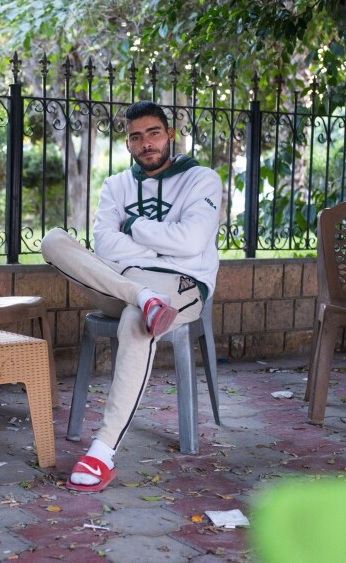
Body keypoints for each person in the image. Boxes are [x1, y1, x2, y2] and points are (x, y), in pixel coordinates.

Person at [41, 100, 221, 492]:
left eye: (153, 133)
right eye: (136, 137)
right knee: (53, 241)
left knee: (136, 321)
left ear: (169, 134)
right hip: (122, 281)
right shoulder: (116, 185)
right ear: (127, 144)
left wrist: (135, 226)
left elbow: (192, 242)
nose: (146, 143)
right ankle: (142, 296)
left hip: (181, 284)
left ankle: (102, 452)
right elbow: (104, 244)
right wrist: (159, 250)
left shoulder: (202, 179)